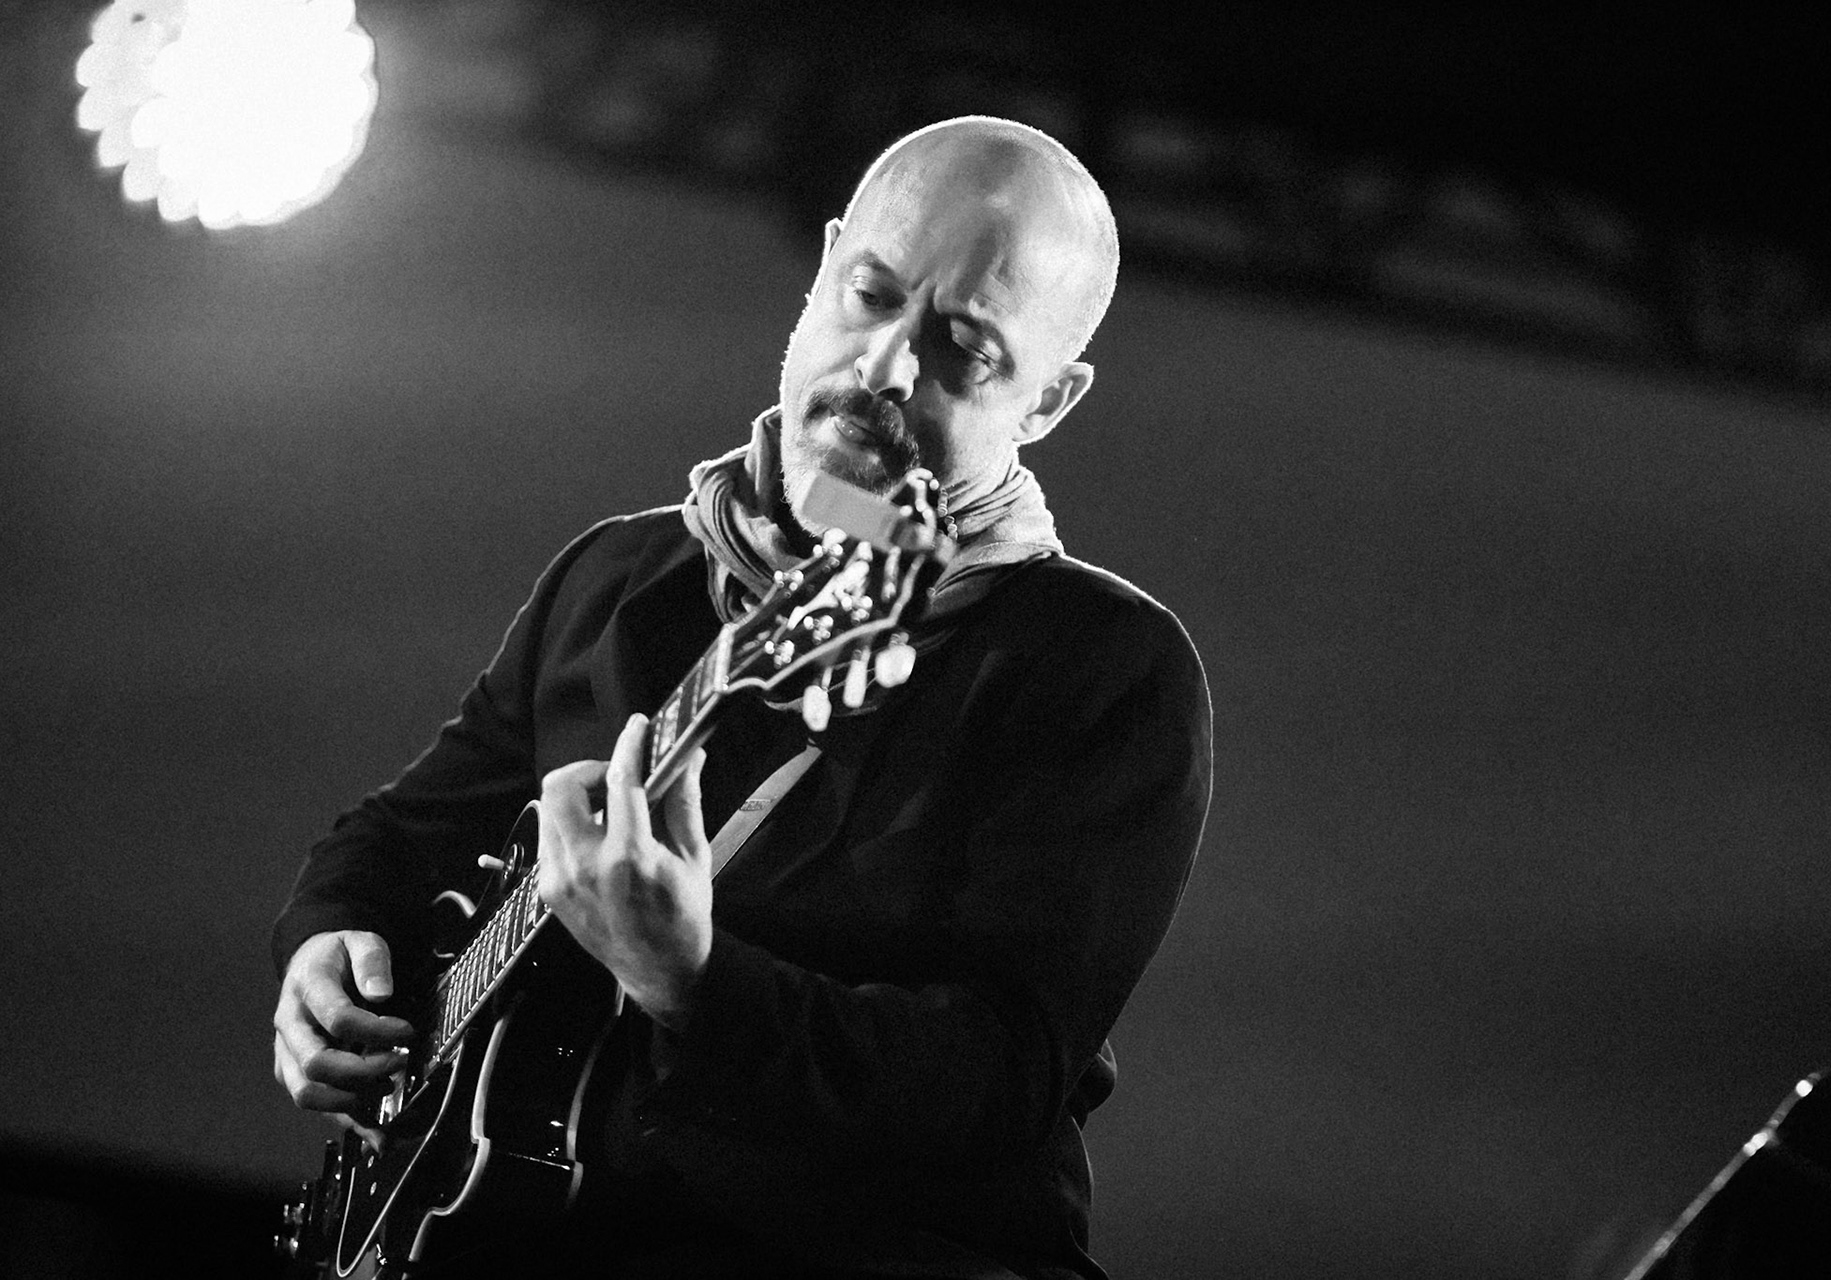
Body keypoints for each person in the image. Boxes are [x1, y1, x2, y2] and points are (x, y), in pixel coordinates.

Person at [271, 115, 1212, 1279]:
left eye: (964, 348)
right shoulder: (618, 576)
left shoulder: (1103, 666)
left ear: (1052, 400)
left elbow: (997, 1079)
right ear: (823, 270)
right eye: (871, 294)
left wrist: (696, 985)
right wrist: (325, 950)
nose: (883, 369)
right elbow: (398, 835)